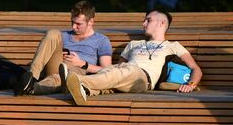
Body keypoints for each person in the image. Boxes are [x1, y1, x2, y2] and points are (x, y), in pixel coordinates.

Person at [66, 9, 203, 105]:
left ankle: (79, 81)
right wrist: (83, 64)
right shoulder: (133, 44)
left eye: (148, 20)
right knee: (117, 73)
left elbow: (195, 69)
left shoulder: (173, 46)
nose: (143, 24)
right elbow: (115, 69)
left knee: (126, 71)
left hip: (142, 78)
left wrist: (190, 84)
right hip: (124, 74)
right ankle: (85, 90)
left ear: (161, 23)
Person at [14, 1, 112, 96]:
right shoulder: (63, 36)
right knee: (53, 33)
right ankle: (31, 78)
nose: (73, 27)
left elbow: (107, 70)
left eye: (78, 24)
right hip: (55, 65)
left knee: (64, 77)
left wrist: (82, 63)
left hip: (77, 71)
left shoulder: (101, 40)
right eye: (72, 22)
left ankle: (32, 89)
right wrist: (57, 54)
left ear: (91, 22)